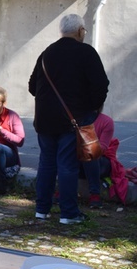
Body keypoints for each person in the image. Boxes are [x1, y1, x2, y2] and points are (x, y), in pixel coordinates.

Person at [28, 13, 109, 225]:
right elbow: (101, 85)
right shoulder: (86, 52)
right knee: (67, 165)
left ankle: (41, 210)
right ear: (81, 31)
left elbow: (32, 86)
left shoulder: (46, 53)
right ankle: (68, 214)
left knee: (46, 164)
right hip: (73, 120)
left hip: (45, 120)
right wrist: (91, 109)